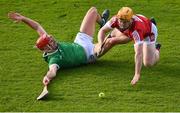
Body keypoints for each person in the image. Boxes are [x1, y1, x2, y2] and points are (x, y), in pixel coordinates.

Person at [8, 7, 110, 99]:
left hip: (80, 42)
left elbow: (37, 27)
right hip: (89, 53)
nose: (53, 40)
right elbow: (52, 71)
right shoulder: (54, 59)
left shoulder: (49, 44)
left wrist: (23, 18)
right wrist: (48, 76)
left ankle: (102, 22)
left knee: (93, 11)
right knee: (111, 40)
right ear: (47, 48)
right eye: (50, 42)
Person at [96, 7, 161, 85]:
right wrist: (100, 44)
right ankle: (112, 35)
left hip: (148, 33)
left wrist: (137, 74)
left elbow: (138, 54)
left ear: (131, 20)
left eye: (126, 22)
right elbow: (102, 30)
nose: (122, 24)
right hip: (133, 27)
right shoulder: (115, 19)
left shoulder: (137, 30)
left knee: (148, 63)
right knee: (114, 36)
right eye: (121, 21)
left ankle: (156, 48)